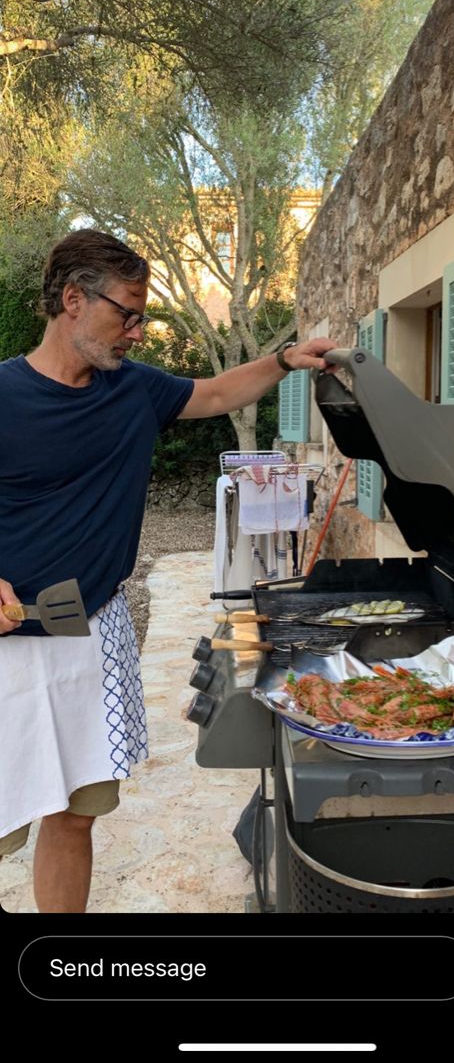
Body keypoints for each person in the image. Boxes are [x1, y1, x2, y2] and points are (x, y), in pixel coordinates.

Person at [0, 228, 337, 912]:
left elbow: (213, 394)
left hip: (89, 630)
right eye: (127, 312)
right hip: (5, 648)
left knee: (73, 813)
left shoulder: (131, 390)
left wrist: (284, 360)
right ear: (72, 299)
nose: (138, 331)